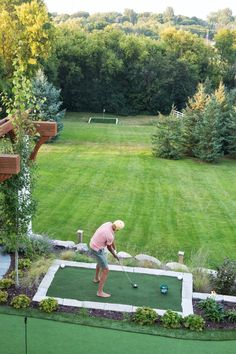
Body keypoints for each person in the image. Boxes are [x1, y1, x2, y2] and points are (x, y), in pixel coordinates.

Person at [89, 220, 125, 298]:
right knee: (106, 270)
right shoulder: (109, 235)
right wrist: (115, 255)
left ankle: (96, 279)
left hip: (93, 243)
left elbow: (111, 240)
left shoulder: (108, 224)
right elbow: (109, 247)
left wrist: (115, 249)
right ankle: (100, 292)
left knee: (100, 260)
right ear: (117, 229)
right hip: (97, 249)